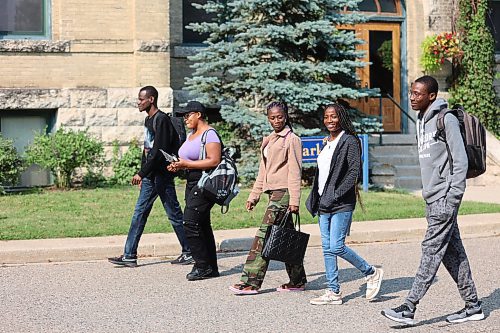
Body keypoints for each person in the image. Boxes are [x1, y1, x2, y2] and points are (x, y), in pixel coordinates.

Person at [381, 76, 484, 325]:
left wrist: (453, 197)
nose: (413, 97)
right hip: (432, 198)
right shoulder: (420, 120)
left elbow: (460, 162)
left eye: (418, 94)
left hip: (444, 198)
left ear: (432, 96)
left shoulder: (445, 119)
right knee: (452, 253)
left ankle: (409, 306)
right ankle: (473, 306)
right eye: (411, 92)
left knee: (430, 250)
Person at [305, 103, 383, 305]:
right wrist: (317, 197)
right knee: (326, 248)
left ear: (341, 118)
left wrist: (336, 195)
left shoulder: (350, 141)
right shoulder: (326, 142)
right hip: (324, 203)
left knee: (337, 246)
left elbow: (353, 174)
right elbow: (323, 174)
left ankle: (371, 272)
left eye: (334, 116)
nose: (329, 120)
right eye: (326, 117)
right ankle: (333, 291)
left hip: (341, 203)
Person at [108, 86, 192, 267]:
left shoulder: (161, 119)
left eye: (141, 99)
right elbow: (146, 151)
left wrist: (141, 173)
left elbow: (158, 151)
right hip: (151, 177)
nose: (138, 102)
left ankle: (189, 251)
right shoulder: (149, 120)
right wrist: (144, 173)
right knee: (141, 214)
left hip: (161, 176)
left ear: (151, 99)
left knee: (173, 214)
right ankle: (129, 255)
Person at [229, 101, 307, 295]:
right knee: (285, 237)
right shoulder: (269, 140)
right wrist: (254, 196)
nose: (276, 121)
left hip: (284, 194)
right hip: (273, 194)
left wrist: (295, 201)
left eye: (280, 117)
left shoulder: (292, 139)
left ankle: (251, 282)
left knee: (264, 236)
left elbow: (295, 172)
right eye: (272, 118)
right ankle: (297, 280)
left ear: (286, 116)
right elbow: (262, 172)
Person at [167, 101, 222, 281]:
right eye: (183, 116)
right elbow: (190, 160)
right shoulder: (192, 134)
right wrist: (179, 166)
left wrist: (187, 164)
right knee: (202, 224)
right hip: (192, 182)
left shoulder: (210, 134)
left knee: (190, 223)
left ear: (198, 114)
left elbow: (214, 160)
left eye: (188, 115)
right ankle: (211, 267)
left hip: (204, 183)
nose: (185, 119)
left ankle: (201, 265)